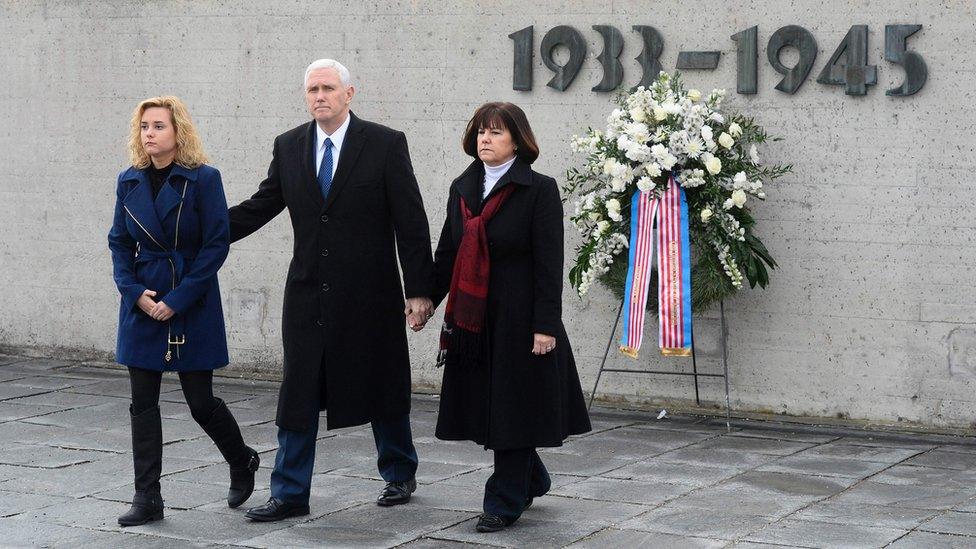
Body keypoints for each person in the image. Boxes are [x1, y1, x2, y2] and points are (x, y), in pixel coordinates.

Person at [227, 59, 435, 522]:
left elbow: (411, 220)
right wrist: (204, 228)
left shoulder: (384, 144)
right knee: (298, 392)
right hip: (307, 295)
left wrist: (421, 290)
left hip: (370, 295)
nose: (319, 96)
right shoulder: (289, 146)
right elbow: (263, 204)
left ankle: (399, 471)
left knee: (382, 383)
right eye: (312, 89)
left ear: (349, 93)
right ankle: (289, 491)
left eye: (328, 88)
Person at [429, 102, 592, 533]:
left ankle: (503, 500)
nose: (485, 139)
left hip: (521, 320)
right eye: (481, 131)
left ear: (517, 140)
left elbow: (548, 263)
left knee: (511, 407)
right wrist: (424, 298)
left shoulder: (538, 189)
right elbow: (448, 252)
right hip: (474, 321)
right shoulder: (462, 189)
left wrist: (545, 325)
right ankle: (531, 477)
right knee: (494, 407)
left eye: (496, 133)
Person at [107, 96, 259, 527]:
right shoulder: (128, 180)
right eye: (144, 127)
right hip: (142, 297)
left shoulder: (204, 179)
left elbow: (216, 243)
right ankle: (147, 497)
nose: (149, 134)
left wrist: (178, 299)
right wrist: (134, 292)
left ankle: (241, 459)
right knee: (142, 403)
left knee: (200, 402)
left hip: (191, 297)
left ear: (178, 132)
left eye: (158, 126)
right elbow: (119, 241)